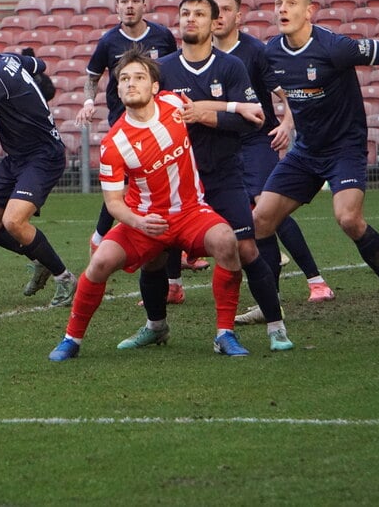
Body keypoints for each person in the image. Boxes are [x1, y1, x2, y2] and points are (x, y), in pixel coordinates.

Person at [252, 0, 379, 325]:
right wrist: (284, 123)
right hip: (305, 151)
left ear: (310, 11)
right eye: (278, 2)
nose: (282, 9)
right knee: (260, 222)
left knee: (348, 219)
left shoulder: (334, 47)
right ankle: (270, 306)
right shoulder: (272, 53)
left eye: (291, 3)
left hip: (344, 147)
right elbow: (275, 91)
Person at [49, 48, 249, 361]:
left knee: (226, 241)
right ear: (116, 89)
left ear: (154, 87)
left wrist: (238, 107)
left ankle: (224, 334)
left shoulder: (173, 103)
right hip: (144, 219)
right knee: (99, 263)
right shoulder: (114, 143)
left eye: (139, 77)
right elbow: (113, 203)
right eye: (124, 79)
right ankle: (71, 340)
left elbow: (199, 105)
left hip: (190, 212)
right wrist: (138, 223)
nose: (131, 83)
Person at [131, 0, 294, 353]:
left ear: (213, 21)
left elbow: (251, 121)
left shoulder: (231, 67)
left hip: (221, 176)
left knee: (246, 248)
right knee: (154, 254)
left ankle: (276, 327)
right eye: (185, 13)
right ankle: (155, 326)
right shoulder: (163, 70)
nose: (191, 19)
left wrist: (206, 116)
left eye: (199, 14)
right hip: (175, 181)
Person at [206, 0, 335, 322]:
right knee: (244, 216)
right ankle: (271, 301)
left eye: (224, 10)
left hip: (257, 140)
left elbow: (287, 92)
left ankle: (314, 282)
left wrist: (287, 124)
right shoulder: (200, 54)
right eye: (212, 10)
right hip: (224, 145)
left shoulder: (255, 51)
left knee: (266, 209)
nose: (218, 17)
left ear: (239, 15)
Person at [0, 16, 77, 306]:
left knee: (12, 221)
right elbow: (40, 66)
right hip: (17, 157)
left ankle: (64, 278)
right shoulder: (8, 59)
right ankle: (39, 257)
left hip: (43, 155)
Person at [75, 0, 188, 268]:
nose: (129, 6)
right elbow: (92, 78)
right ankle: (102, 236)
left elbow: (170, 72)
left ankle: (178, 247)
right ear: (116, 7)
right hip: (124, 122)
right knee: (124, 186)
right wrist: (89, 103)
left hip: (160, 121)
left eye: (135, 0)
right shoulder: (108, 41)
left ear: (144, 4)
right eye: (124, 1)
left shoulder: (162, 36)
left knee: (164, 183)